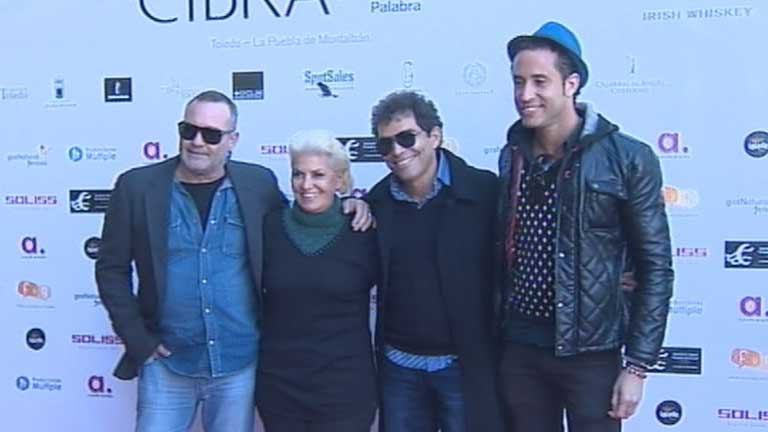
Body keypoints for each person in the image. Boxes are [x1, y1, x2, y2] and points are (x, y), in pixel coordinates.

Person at [95, 90, 371, 432]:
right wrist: (138, 339)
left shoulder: (258, 184)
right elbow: (111, 268)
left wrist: (350, 204)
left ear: (232, 141)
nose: (197, 142)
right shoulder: (137, 187)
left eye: (211, 134)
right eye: (189, 130)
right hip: (167, 364)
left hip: (239, 366)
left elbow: (302, 220)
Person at [497, 22, 674, 431]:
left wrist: (638, 366)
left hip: (592, 355)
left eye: (540, 81)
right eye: (518, 81)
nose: (525, 94)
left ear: (571, 84)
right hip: (521, 351)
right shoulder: (512, 155)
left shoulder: (627, 157)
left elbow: (655, 266)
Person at [365, 91, 505, 432]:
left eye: (406, 138)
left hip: (464, 365)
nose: (397, 151)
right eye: (385, 144)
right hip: (399, 368)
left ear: (435, 136)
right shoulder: (376, 202)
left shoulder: (485, 191)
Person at [256, 130, 378, 432]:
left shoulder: (364, 229)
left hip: (346, 388)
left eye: (318, 175)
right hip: (280, 388)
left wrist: (361, 204)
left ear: (340, 180)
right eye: (298, 174)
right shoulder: (269, 227)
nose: (306, 184)